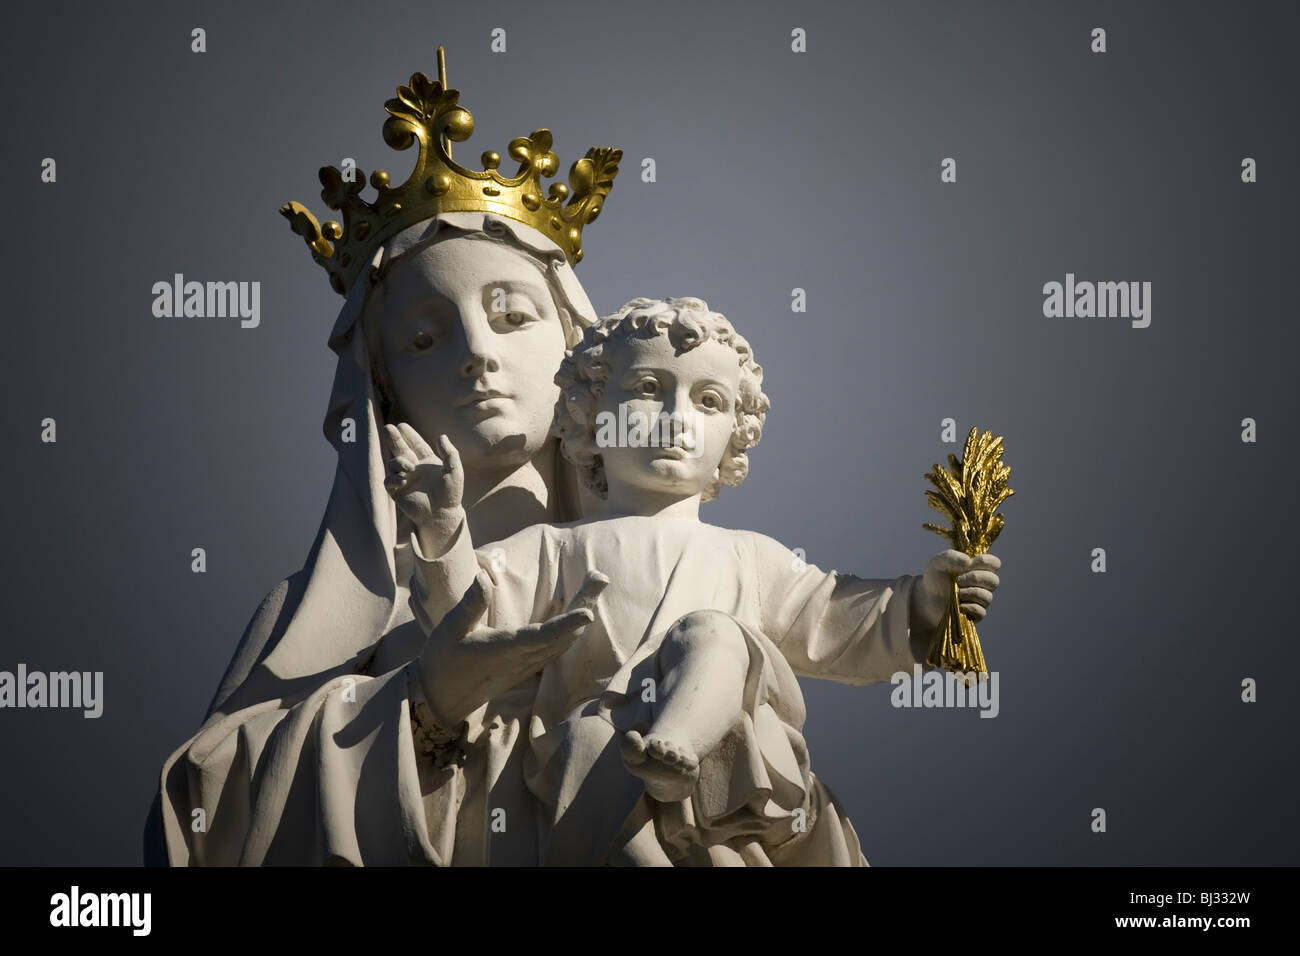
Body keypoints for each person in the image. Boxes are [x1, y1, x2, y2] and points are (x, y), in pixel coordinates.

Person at [385, 297, 1003, 865]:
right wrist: (443, 532)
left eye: (709, 402)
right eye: (649, 390)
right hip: (595, 763)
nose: (677, 419)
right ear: (592, 414)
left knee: (711, 632)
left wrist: (924, 603)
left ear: (735, 431)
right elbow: (466, 621)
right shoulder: (555, 548)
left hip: (724, 771)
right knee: (588, 743)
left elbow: (835, 620)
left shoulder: (749, 557)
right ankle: (651, 772)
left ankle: (675, 744)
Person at [143, 212, 610, 865]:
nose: (478, 351)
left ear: (573, 346)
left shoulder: (669, 559)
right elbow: (205, 807)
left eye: (512, 318)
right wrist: (424, 704)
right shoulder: (324, 605)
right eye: (423, 339)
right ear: (385, 390)